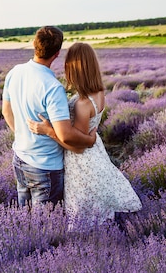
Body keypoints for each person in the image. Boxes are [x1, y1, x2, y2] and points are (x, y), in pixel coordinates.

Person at [27, 42, 142, 224]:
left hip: (81, 165)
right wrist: (88, 138)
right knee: (99, 213)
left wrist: (48, 130)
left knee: (82, 215)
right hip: (96, 156)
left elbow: (77, 146)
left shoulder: (82, 103)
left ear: (74, 68)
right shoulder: (99, 92)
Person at [2, 26, 96, 207]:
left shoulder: (15, 72)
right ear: (57, 53)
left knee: (26, 222)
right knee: (45, 227)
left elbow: (7, 111)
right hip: (45, 167)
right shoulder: (53, 87)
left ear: (34, 44)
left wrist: (24, 136)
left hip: (20, 158)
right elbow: (66, 134)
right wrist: (89, 140)